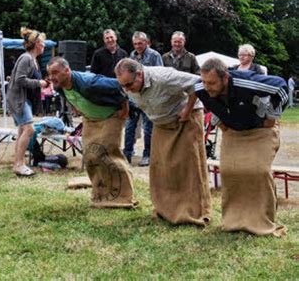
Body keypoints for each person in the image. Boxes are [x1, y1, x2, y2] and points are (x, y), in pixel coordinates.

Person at [196, 58, 288, 236]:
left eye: (212, 83)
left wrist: (272, 115)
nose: (208, 87)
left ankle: (262, 220)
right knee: (230, 171)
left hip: (260, 129)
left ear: (225, 78)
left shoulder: (247, 82)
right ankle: (234, 220)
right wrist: (220, 122)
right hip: (234, 132)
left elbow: (280, 87)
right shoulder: (201, 88)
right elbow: (208, 103)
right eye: (205, 81)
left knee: (258, 171)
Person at [115, 58, 211, 225]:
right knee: (161, 167)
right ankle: (166, 209)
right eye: (123, 86)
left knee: (188, 167)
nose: (127, 90)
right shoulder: (130, 84)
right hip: (161, 123)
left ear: (139, 74)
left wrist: (187, 111)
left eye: (129, 85)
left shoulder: (164, 77)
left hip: (185, 121)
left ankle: (194, 211)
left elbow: (197, 83)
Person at [48, 56, 138, 209]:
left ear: (67, 71)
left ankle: (123, 197)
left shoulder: (89, 83)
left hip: (111, 116)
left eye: (55, 73)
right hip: (91, 119)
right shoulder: (59, 86)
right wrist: (78, 106)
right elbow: (69, 95)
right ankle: (101, 194)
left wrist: (125, 109)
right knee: (91, 155)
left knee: (109, 155)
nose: (52, 77)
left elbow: (119, 86)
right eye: (50, 74)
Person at [7, 27, 48, 176]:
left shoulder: (33, 60)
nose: (44, 45)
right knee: (29, 130)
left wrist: (42, 83)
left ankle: (18, 163)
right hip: (18, 99)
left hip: (25, 99)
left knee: (22, 131)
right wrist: (39, 83)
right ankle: (19, 164)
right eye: (42, 42)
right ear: (37, 43)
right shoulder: (26, 58)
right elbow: (19, 80)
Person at [124, 31, 163, 166]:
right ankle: (127, 154)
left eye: (140, 43)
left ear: (146, 42)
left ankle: (147, 155)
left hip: (149, 97)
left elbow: (160, 75)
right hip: (134, 97)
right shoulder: (132, 56)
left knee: (148, 128)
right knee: (129, 127)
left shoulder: (154, 55)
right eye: (135, 44)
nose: (137, 46)